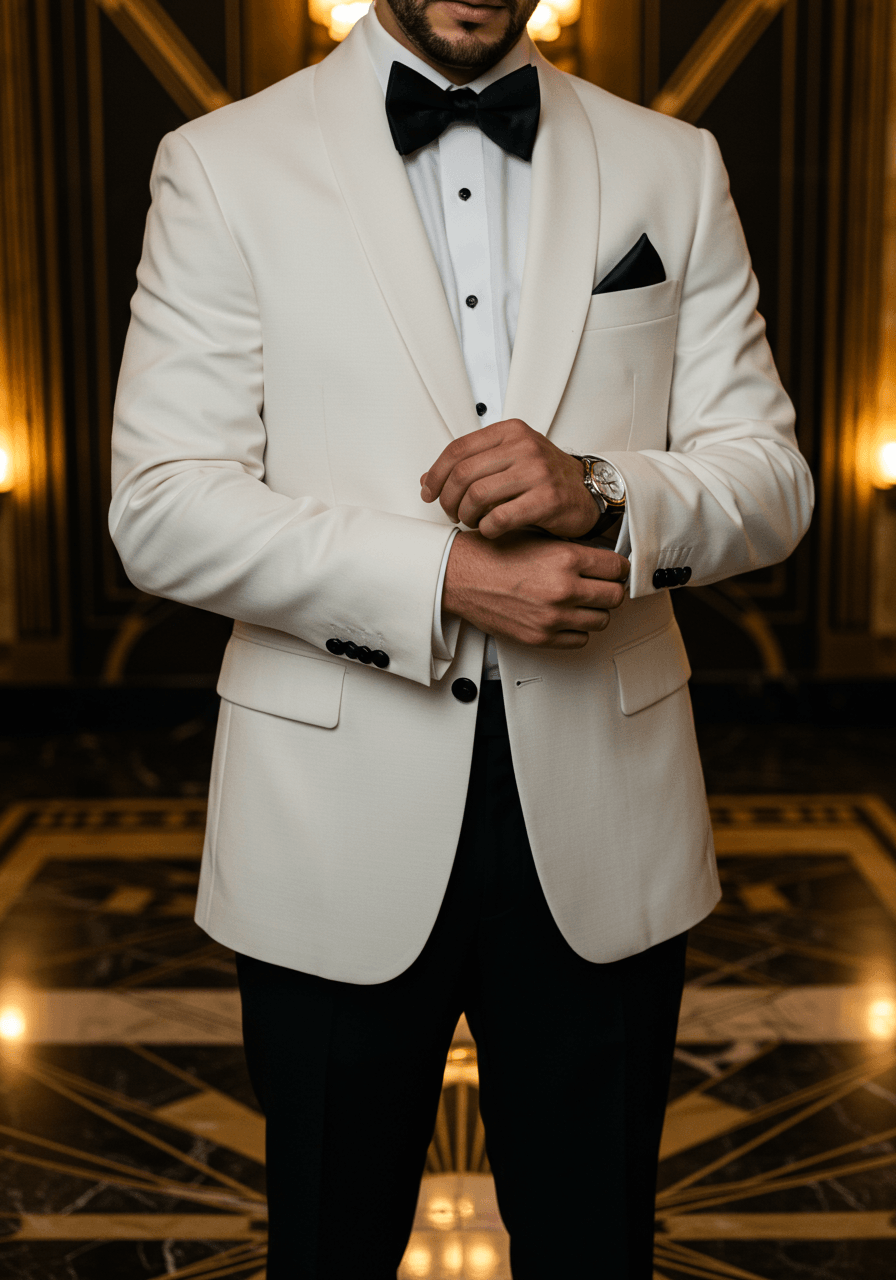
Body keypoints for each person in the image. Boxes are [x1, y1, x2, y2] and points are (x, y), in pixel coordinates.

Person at [109, 0, 814, 1274]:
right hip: (327, 824)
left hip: (607, 821)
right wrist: (443, 577)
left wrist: (603, 487)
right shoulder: (220, 163)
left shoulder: (672, 162)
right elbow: (161, 507)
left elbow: (770, 481)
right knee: (326, 1245)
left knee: (595, 1245)